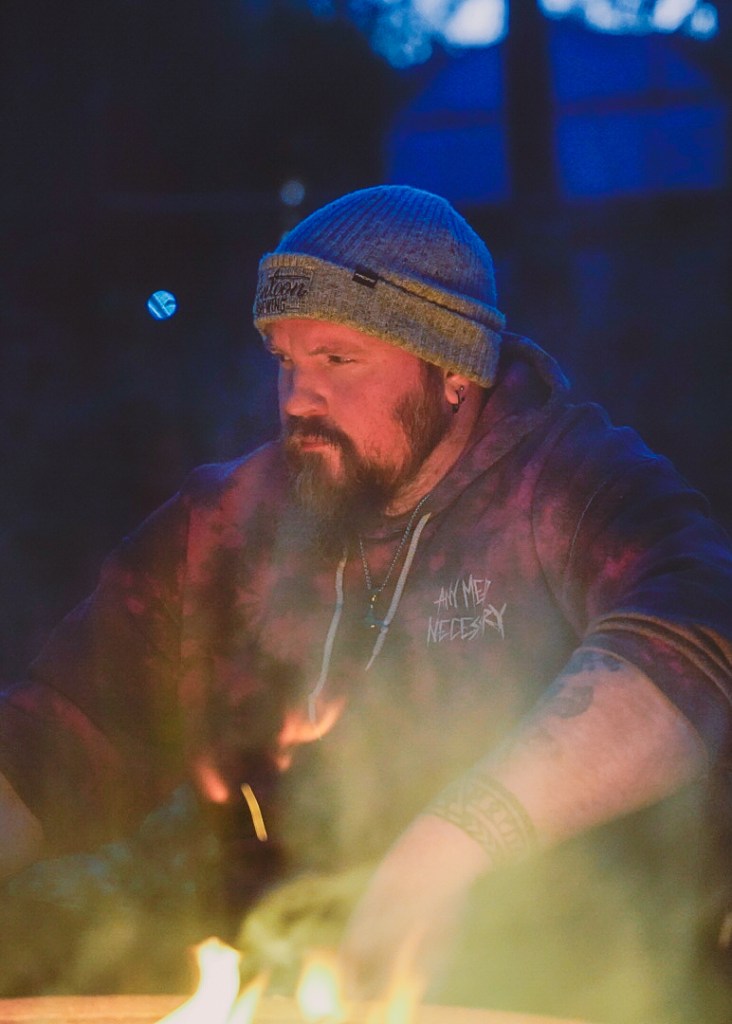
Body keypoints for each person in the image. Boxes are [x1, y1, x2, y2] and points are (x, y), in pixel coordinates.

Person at [1, 185, 731, 1016]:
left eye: (338, 360)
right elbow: (55, 737)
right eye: (286, 359)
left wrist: (447, 848)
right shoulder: (227, 528)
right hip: (303, 989)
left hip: (588, 994)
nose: (299, 398)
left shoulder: (569, 487)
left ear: (454, 371)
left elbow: (698, 641)